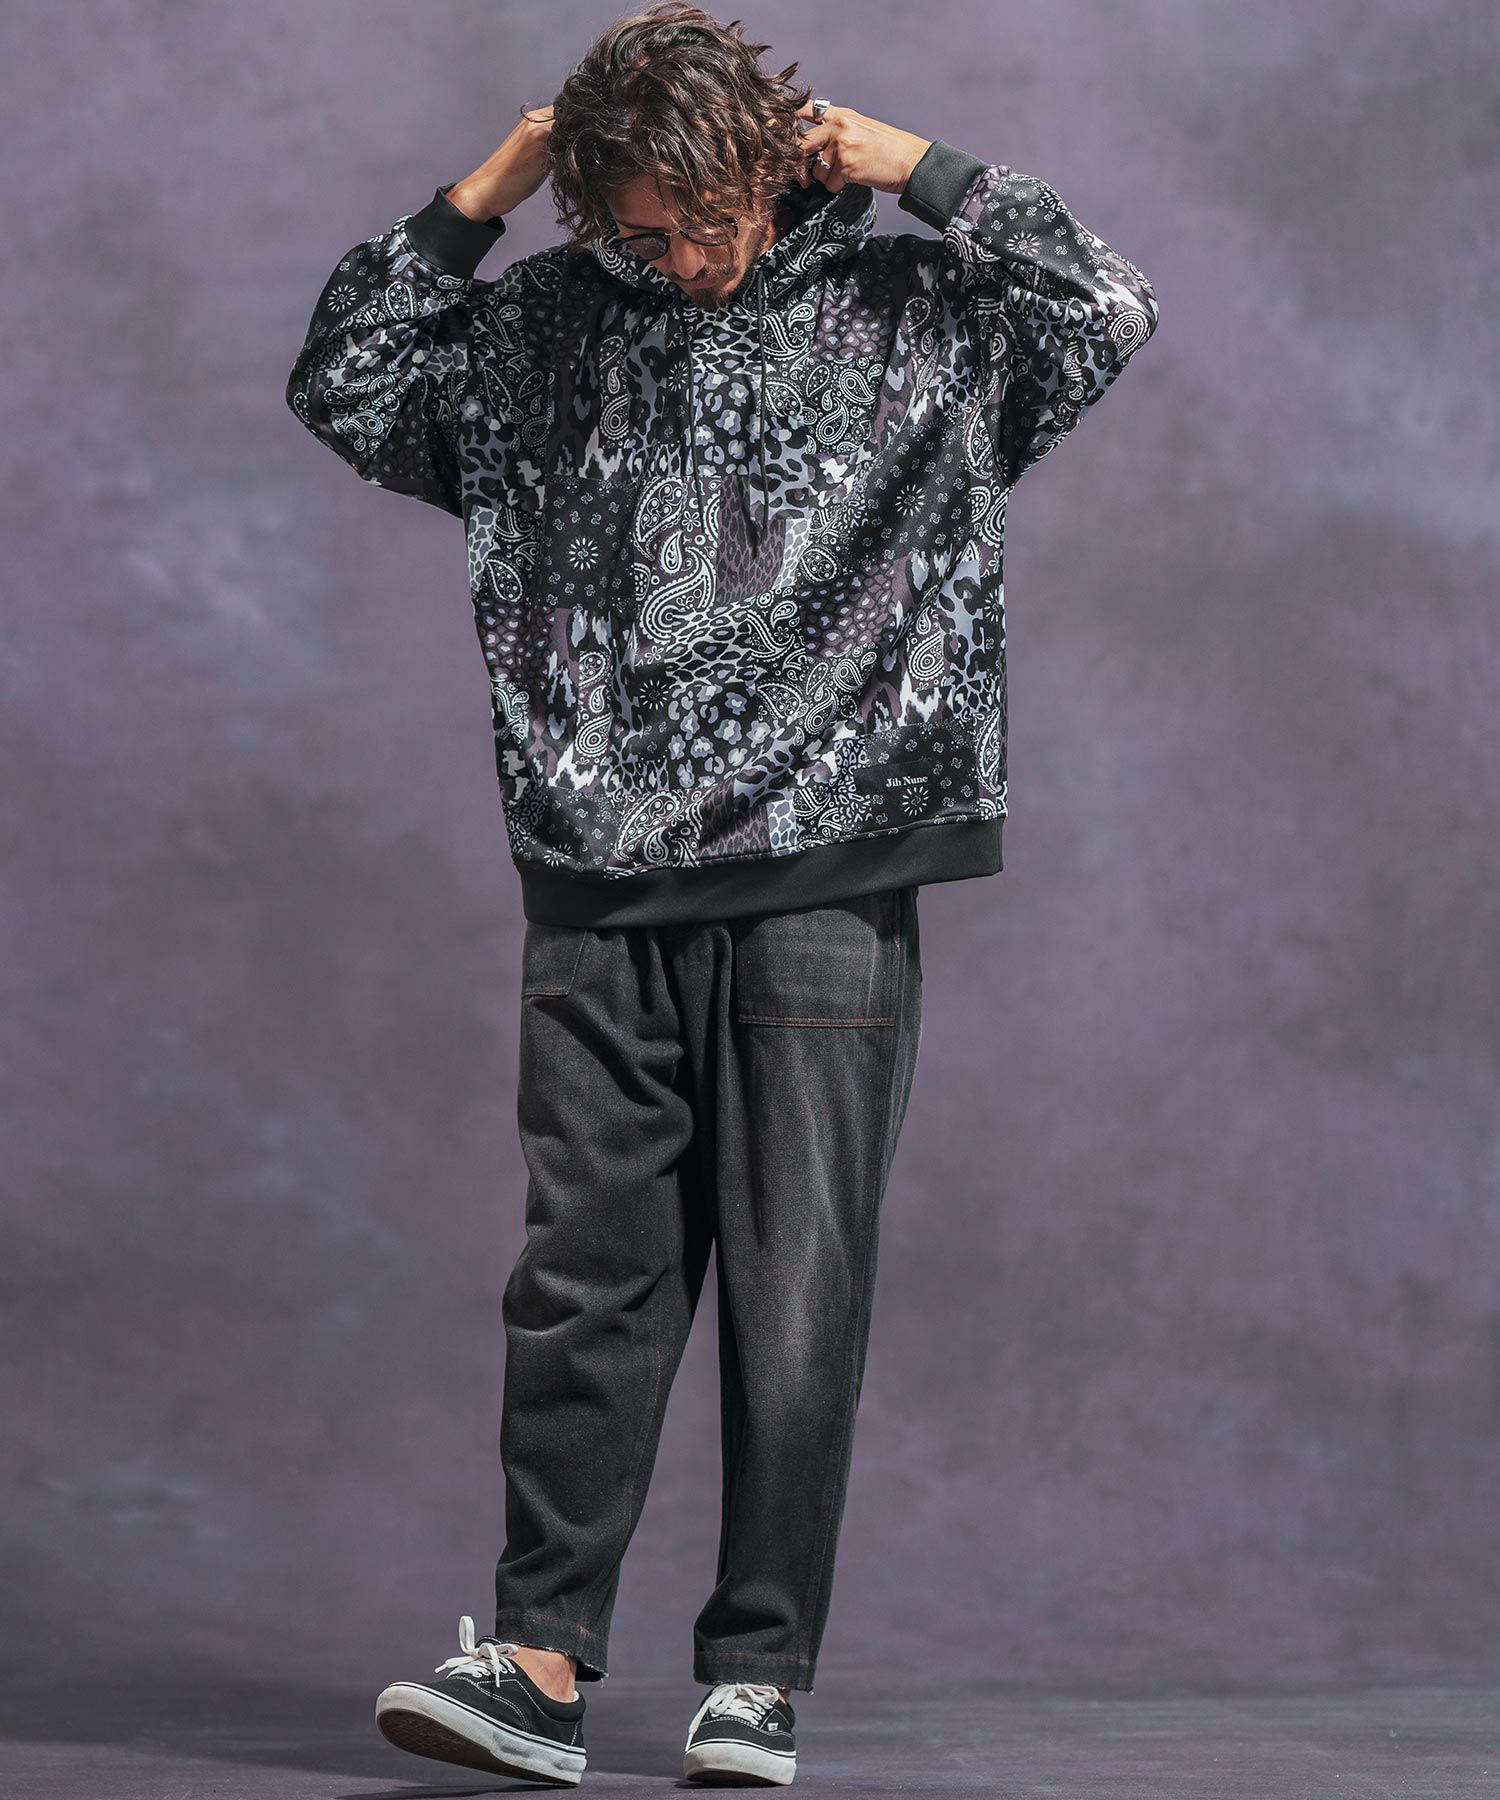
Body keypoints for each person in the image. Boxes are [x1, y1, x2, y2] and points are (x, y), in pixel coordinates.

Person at [285, 2, 1159, 1785]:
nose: (675, 257)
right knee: (582, 1281)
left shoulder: (919, 315)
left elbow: (1107, 303)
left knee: (796, 1289)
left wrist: (921, 168)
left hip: (832, 870)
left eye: (697, 218)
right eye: (635, 225)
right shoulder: (543, 329)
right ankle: (537, 1663)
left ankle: (754, 1677)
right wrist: (502, 177)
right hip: (598, 877)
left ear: (768, 164)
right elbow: (347, 379)